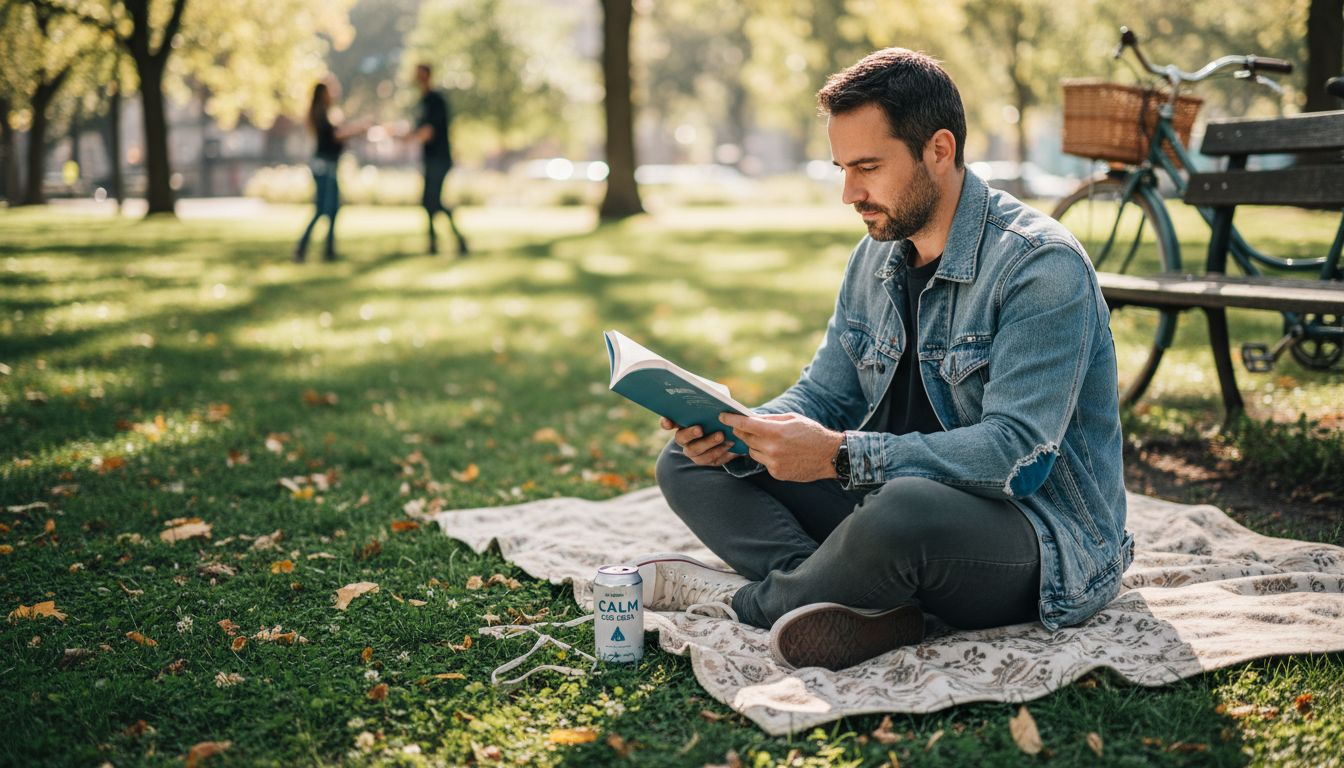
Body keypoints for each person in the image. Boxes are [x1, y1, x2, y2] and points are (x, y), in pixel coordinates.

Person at [636, 48, 1131, 672]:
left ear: (939, 150)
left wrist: (842, 456)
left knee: (904, 510)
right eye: (842, 168)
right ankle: (840, 598)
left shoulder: (1039, 266)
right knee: (692, 465)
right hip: (890, 497)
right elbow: (824, 396)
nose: (849, 193)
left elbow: (1018, 456)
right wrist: (743, 427)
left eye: (868, 167)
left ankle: (754, 602)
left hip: (1036, 534)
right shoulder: (878, 253)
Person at [293, 80, 368, 263]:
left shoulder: (328, 113)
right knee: (322, 210)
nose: (333, 94)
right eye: (330, 91)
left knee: (333, 209)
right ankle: (301, 250)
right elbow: (335, 136)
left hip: (330, 166)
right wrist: (358, 128)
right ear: (322, 94)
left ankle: (329, 251)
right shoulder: (320, 114)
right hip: (323, 167)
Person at [413, 63, 468, 257]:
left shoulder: (435, 100)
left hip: (440, 158)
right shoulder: (423, 100)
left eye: (420, 75)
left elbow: (427, 132)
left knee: (433, 201)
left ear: (428, 75)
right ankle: (434, 243)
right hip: (429, 158)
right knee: (429, 201)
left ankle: (457, 240)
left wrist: (405, 137)